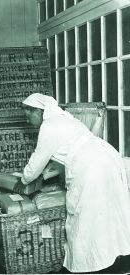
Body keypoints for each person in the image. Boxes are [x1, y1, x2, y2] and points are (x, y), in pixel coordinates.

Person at [13, 93, 130, 273]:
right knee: (110, 211)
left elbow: (37, 161)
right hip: (109, 158)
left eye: (29, 116)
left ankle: (86, 265)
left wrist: (23, 180)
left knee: (82, 215)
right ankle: (116, 258)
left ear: (38, 111)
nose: (28, 121)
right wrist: (43, 176)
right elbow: (63, 155)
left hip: (90, 166)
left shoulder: (49, 126)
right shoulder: (66, 120)